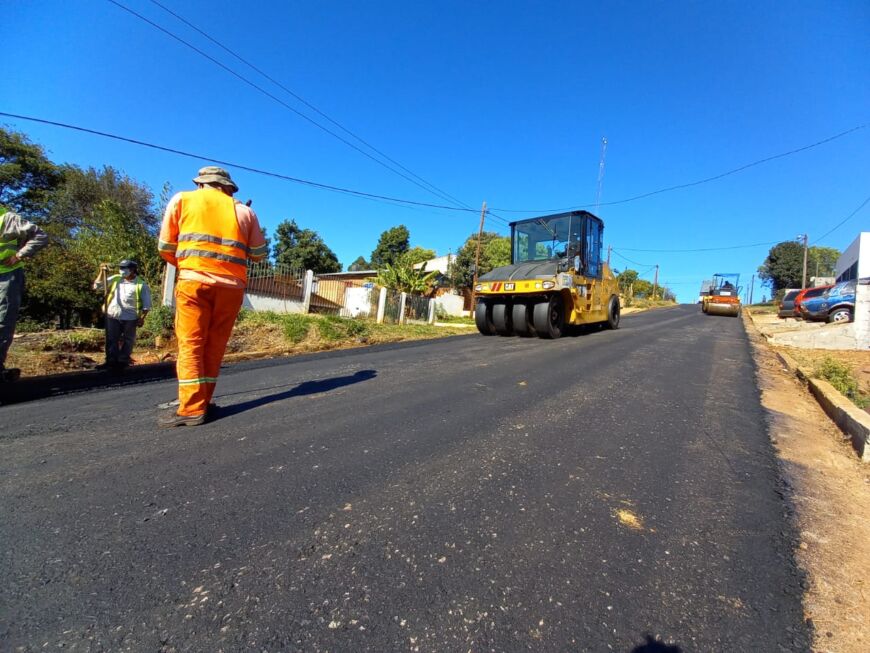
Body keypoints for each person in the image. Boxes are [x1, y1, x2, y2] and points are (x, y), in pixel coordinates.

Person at [157, 166, 267, 427]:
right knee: (214, 346)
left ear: (201, 184)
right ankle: (203, 401)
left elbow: (165, 247)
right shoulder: (244, 211)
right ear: (228, 188)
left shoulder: (182, 200)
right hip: (231, 288)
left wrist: (188, 266)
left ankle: (192, 408)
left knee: (192, 344)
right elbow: (259, 253)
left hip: (193, 283)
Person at [0, 206, 48, 382]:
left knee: (3, 321)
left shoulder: (7, 219)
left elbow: (41, 236)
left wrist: (19, 255)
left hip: (7, 275)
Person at [93, 259, 152, 370]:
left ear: (133, 270)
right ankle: (110, 361)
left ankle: (123, 361)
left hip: (130, 317)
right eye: (121, 268)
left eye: (125, 268)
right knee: (111, 339)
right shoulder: (116, 279)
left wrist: (142, 318)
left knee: (128, 339)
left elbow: (147, 305)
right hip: (113, 315)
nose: (122, 271)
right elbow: (97, 286)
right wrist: (101, 271)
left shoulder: (141, 285)